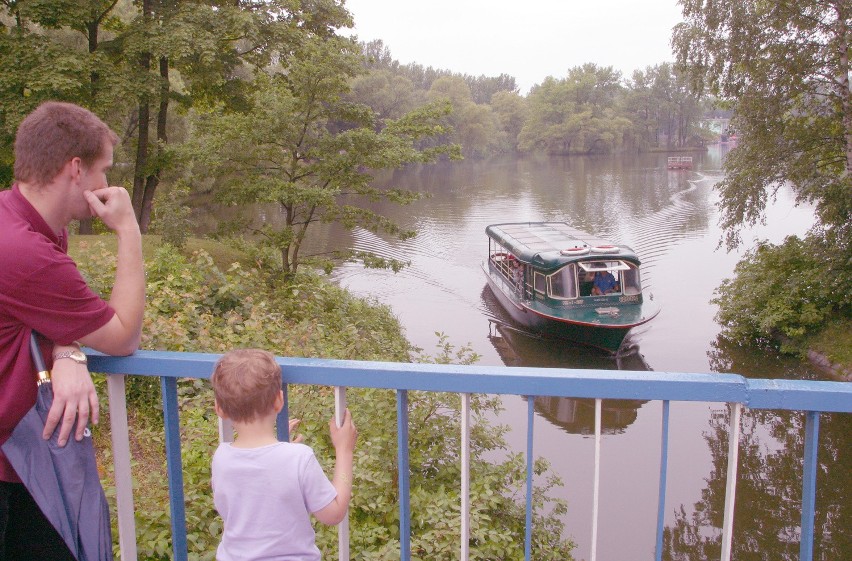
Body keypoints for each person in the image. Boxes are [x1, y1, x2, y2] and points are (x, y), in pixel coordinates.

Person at [0, 101, 145, 559]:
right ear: (76, 169)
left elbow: (48, 310)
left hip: (21, 459)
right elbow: (122, 336)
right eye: (104, 170)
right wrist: (129, 231)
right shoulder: (25, 252)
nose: (107, 185)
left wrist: (68, 347)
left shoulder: (28, 223)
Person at [210, 349, 357, 561]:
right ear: (279, 401)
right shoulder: (298, 458)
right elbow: (333, 514)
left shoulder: (221, 458)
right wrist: (344, 451)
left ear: (219, 409)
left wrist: (280, 448)